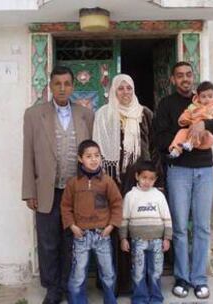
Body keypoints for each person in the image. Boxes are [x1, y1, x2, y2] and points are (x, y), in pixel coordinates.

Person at [153, 62, 213, 300]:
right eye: (180, 76)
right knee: (180, 228)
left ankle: (199, 279)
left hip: (205, 170)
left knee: (203, 227)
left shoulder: (207, 100)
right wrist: (185, 137)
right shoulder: (166, 104)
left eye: (188, 74)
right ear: (173, 80)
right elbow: (160, 137)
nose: (185, 79)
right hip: (179, 171)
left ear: (192, 77)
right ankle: (182, 278)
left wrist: (203, 124)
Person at [22, 66, 94, 304]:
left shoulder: (85, 115)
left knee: (72, 241)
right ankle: (52, 288)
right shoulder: (34, 115)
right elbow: (28, 154)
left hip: (76, 191)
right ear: (50, 87)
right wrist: (29, 191)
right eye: (57, 84)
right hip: (47, 189)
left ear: (73, 87)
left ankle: (68, 285)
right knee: (48, 241)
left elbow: (92, 154)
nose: (62, 88)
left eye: (66, 83)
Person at [93, 74, 159, 293]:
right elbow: (97, 152)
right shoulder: (103, 115)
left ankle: (138, 283)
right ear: (113, 91)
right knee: (113, 229)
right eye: (120, 89)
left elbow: (156, 149)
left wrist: (153, 179)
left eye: (129, 88)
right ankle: (114, 282)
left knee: (136, 230)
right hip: (112, 181)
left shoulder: (144, 114)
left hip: (138, 182)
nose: (125, 93)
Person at [60, 139, 122, 304]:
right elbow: (65, 207)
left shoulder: (107, 181)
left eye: (97, 155)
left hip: (102, 235)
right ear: (80, 159)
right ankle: (77, 301)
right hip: (81, 236)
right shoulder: (73, 183)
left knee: (108, 272)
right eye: (89, 156)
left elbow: (117, 204)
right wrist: (72, 226)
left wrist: (111, 226)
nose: (94, 159)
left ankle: (110, 299)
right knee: (78, 273)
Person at [119, 161, 172, 304]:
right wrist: (123, 238)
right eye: (144, 177)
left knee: (156, 271)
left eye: (151, 179)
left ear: (155, 179)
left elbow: (167, 217)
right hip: (138, 241)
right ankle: (140, 298)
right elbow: (124, 219)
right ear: (137, 176)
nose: (147, 182)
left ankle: (156, 297)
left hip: (157, 241)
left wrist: (167, 238)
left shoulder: (159, 196)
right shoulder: (130, 196)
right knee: (138, 271)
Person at [169, 81, 213, 158]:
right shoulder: (193, 106)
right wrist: (184, 120)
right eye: (203, 96)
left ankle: (190, 143)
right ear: (198, 97)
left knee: (201, 132)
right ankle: (176, 150)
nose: (207, 99)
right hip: (192, 131)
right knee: (182, 132)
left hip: (207, 135)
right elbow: (186, 113)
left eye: (210, 96)